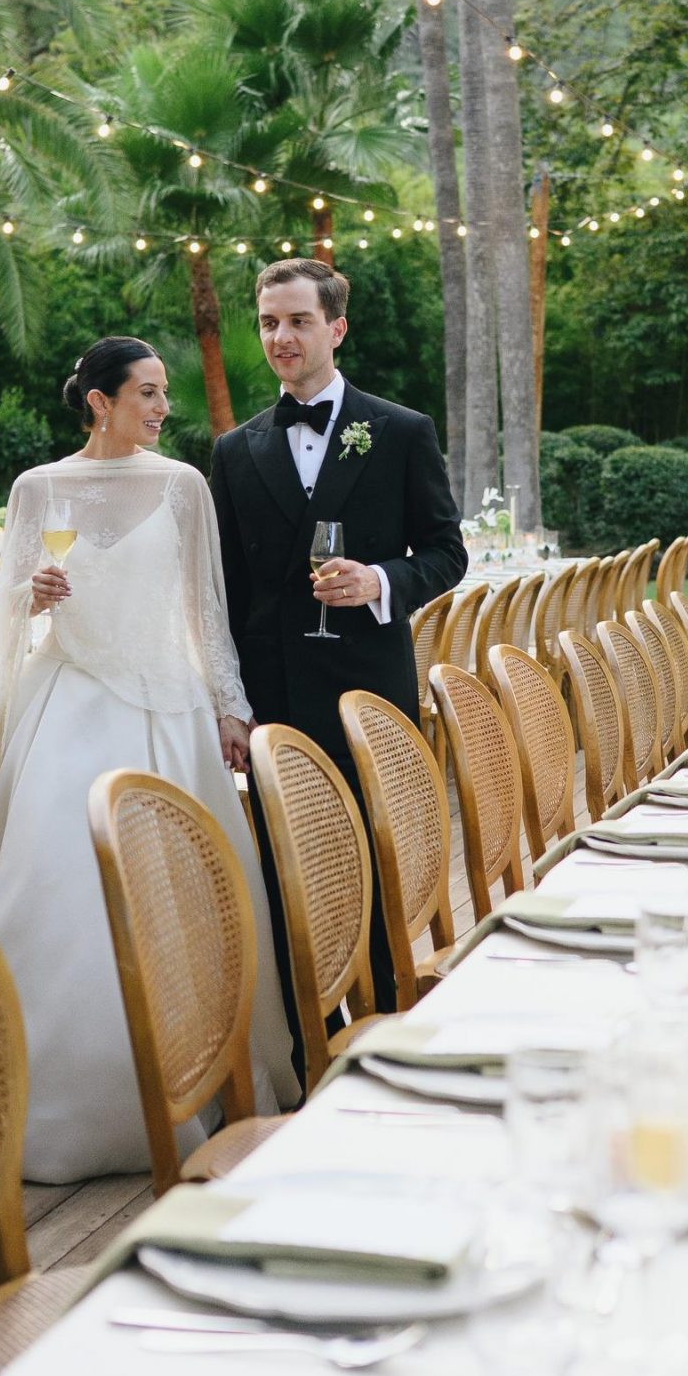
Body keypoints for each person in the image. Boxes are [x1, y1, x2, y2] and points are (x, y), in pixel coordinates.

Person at [0, 337, 300, 1182]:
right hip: (69, 705)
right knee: (53, 894)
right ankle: (54, 1108)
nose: (163, 409)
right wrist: (31, 593)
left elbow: (205, 608)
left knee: (184, 898)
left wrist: (230, 705)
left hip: (168, 712)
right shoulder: (39, 489)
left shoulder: (182, 485)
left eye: (163, 395)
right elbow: (9, 598)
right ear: (99, 401)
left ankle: (192, 1084)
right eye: (148, 394)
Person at [209, 259, 467, 1023]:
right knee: (289, 872)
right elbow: (223, 588)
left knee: (374, 860)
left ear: (336, 328)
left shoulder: (399, 432)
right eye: (268, 323)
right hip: (274, 698)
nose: (281, 337)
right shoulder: (234, 451)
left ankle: (390, 1024)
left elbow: (446, 553)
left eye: (297, 321)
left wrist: (379, 583)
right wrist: (229, 701)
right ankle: (305, 1045)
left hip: (366, 691)